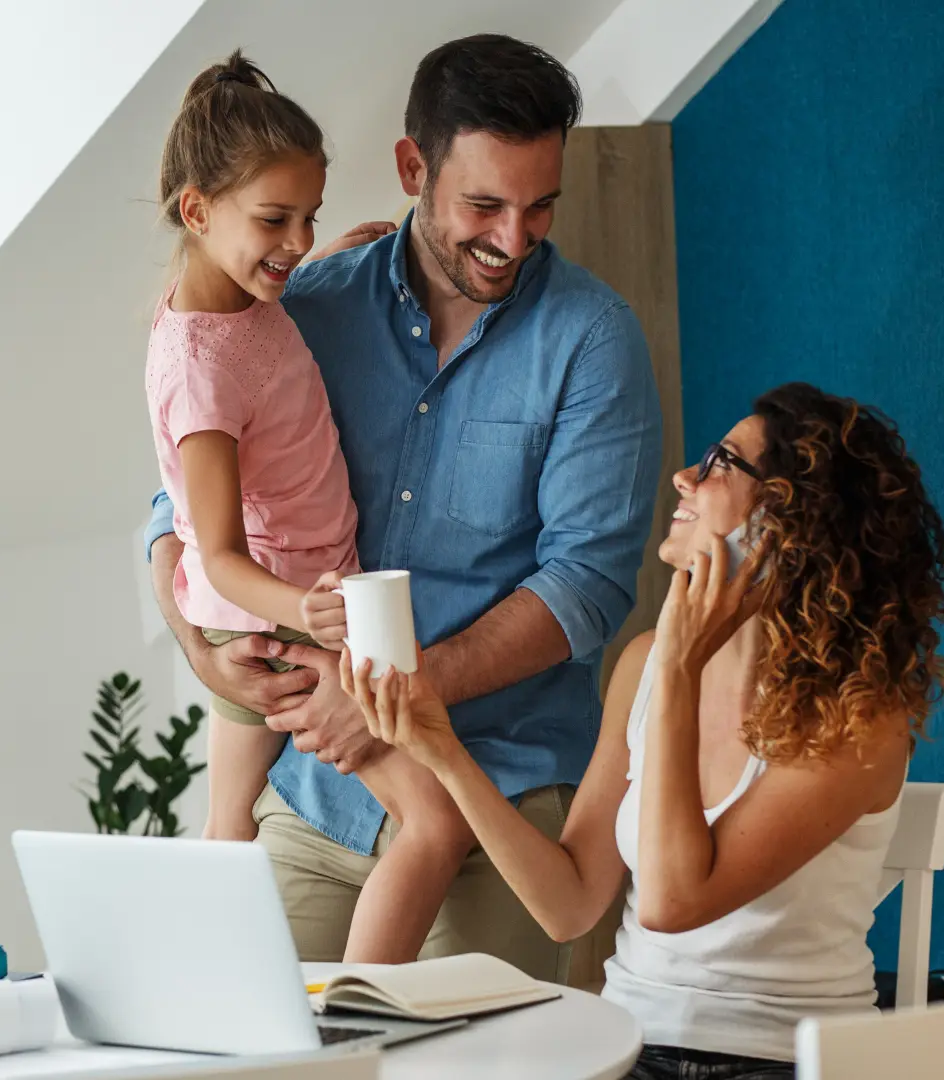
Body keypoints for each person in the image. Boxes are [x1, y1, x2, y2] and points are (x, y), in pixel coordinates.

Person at [145, 33, 663, 979]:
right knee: (226, 1028)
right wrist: (205, 655)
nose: (514, 239)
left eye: (539, 206)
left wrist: (399, 692)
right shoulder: (307, 304)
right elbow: (180, 501)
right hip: (319, 792)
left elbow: (586, 589)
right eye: (483, 204)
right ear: (412, 167)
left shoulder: (594, 342)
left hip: (498, 793)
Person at [344, 383, 944, 1078]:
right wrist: (444, 753)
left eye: (722, 463)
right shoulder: (646, 665)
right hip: (628, 1047)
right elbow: (569, 904)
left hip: (784, 1061)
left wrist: (680, 664)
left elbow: (672, 902)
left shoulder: (856, 716)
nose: (685, 477)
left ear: (792, 521)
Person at [143, 50, 473, 964]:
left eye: (307, 217)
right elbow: (209, 552)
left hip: (284, 603)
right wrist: (308, 618)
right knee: (432, 826)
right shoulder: (200, 375)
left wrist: (322, 261)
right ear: (197, 210)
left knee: (230, 830)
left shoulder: (233, 301)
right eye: (273, 220)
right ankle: (354, 1030)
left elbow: (256, 349)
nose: (293, 240)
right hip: (275, 616)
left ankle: (213, 1005)